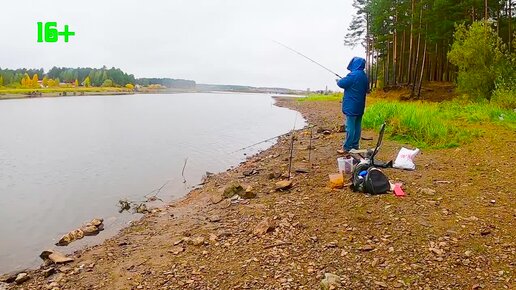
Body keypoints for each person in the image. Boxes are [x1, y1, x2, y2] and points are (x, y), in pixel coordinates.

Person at [336, 56, 369, 155]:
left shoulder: (353, 75)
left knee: (350, 126)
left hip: (351, 105)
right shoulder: (364, 76)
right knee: (357, 125)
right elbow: (367, 89)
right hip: (360, 105)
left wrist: (338, 80)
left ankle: (347, 147)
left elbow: (341, 83)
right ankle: (355, 145)